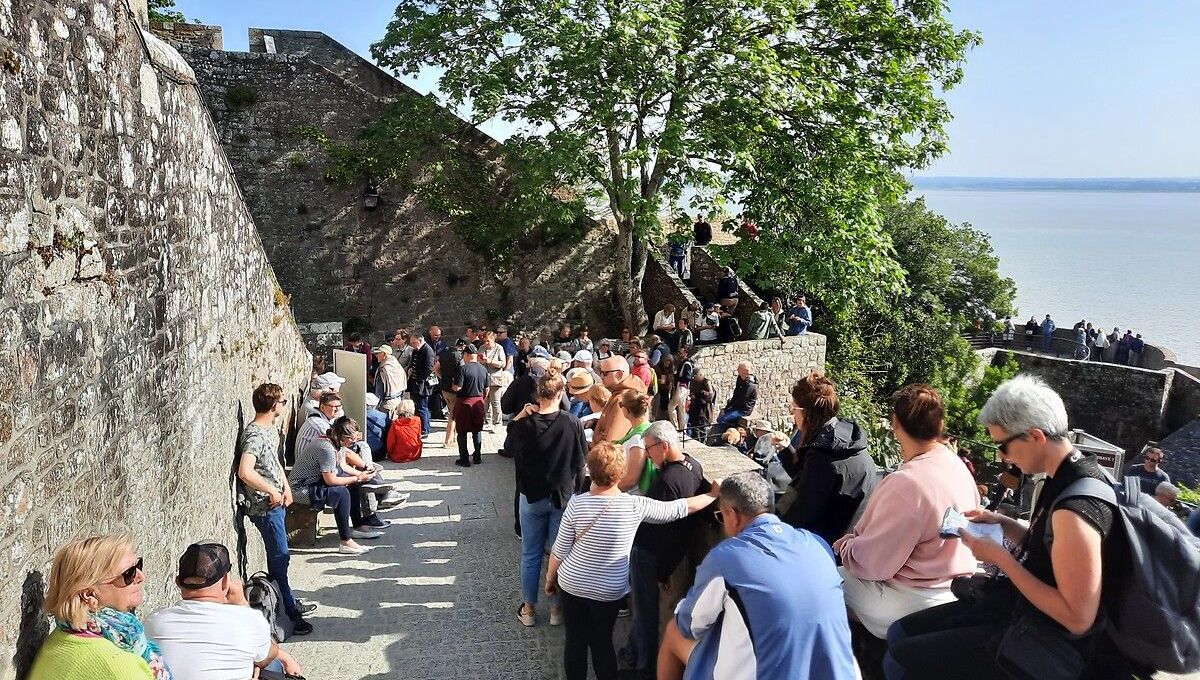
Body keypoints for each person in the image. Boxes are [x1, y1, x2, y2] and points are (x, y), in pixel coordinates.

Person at [885, 375, 1136, 679]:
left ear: (1036, 437)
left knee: (900, 659)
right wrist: (1004, 524)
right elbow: (1051, 550)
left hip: (1049, 645)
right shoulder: (1069, 474)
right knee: (900, 633)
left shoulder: (1075, 511)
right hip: (1023, 615)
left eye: (1002, 446)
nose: (1002, 458)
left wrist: (1001, 559)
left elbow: (1077, 618)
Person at [657, 473, 858, 680]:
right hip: (841, 672)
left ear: (732, 515)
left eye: (721, 516)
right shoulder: (817, 543)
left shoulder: (725, 558)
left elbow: (689, 624)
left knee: (674, 632)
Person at [546, 441, 720, 680]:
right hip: (609, 589)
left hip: (573, 583)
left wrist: (549, 578)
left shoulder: (577, 504)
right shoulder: (634, 506)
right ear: (621, 473)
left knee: (575, 642)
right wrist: (711, 495)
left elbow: (560, 550)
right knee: (602, 643)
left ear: (590, 470)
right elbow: (680, 508)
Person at [833, 384, 979, 639]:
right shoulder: (957, 466)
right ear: (940, 423)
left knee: (821, 582)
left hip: (910, 598)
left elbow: (872, 565)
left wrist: (845, 546)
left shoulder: (907, 483)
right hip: (952, 590)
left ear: (896, 424)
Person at [622, 422, 708, 678]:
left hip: (650, 556)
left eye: (649, 449)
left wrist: (662, 571)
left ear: (664, 446)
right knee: (642, 612)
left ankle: (644, 669)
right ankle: (635, 652)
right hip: (656, 554)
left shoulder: (670, 481)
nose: (647, 455)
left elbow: (670, 533)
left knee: (646, 615)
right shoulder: (692, 465)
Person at [145, 543, 302, 680]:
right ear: (226, 581)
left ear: (178, 583)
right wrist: (242, 603)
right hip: (258, 645)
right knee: (271, 667)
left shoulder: (153, 622)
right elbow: (267, 656)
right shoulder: (249, 620)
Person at [510, 368, 589, 628]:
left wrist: (523, 413)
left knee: (530, 554)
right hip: (563, 498)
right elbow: (581, 463)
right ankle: (557, 608)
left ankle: (530, 608)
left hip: (531, 496)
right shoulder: (572, 422)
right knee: (560, 553)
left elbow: (511, 440)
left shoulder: (524, 425)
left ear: (538, 394)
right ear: (561, 393)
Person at [29, 533, 165, 679]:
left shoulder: (62, 638)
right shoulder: (118, 669)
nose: (141, 577)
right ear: (88, 594)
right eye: (129, 573)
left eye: (138, 566)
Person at [237, 383, 314, 635]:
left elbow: (274, 462)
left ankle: (285, 600)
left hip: (277, 503)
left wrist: (285, 487)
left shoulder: (268, 430)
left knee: (280, 557)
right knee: (280, 558)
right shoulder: (254, 435)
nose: (284, 405)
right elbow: (245, 471)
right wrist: (271, 491)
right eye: (282, 402)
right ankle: (289, 613)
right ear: (273, 406)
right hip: (265, 508)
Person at [778, 372, 877, 548]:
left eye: (793, 408)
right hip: (853, 542)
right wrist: (786, 450)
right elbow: (810, 480)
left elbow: (801, 515)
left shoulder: (823, 457)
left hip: (827, 551)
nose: (792, 415)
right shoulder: (845, 441)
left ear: (805, 412)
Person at [289, 416, 384, 554]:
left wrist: (360, 475)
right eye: (351, 438)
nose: (355, 440)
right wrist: (357, 478)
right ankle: (345, 541)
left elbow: (343, 466)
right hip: (300, 489)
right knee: (341, 492)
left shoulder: (336, 443)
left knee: (351, 485)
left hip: (314, 483)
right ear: (342, 436)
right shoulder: (326, 448)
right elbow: (331, 481)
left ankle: (358, 527)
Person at [593, 355, 649, 444]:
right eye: (600, 372)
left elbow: (612, 441)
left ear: (619, 374)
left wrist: (592, 444)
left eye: (605, 373)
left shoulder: (624, 399)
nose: (601, 377)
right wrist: (595, 423)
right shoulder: (619, 392)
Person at [450, 343, 489, 466]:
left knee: (461, 432)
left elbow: (458, 387)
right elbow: (487, 389)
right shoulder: (483, 369)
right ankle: (477, 457)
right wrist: (482, 399)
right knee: (477, 431)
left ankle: (464, 459)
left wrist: (453, 386)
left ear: (467, 354)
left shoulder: (463, 369)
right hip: (478, 402)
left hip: (464, 403)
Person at [616, 390, 654, 492]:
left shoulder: (638, 439)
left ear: (627, 410)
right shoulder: (643, 428)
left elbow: (631, 480)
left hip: (632, 495)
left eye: (621, 405)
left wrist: (607, 491)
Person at [712, 361, 758, 436]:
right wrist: (728, 407)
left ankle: (719, 439)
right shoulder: (740, 379)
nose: (737, 370)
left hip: (743, 409)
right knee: (722, 414)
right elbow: (736, 394)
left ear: (745, 370)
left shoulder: (750, 385)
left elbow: (743, 400)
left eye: (739, 369)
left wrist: (731, 407)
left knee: (722, 419)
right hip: (737, 406)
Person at [436, 338, 465, 448]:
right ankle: (448, 440)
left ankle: (453, 438)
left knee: (452, 413)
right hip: (455, 389)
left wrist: (443, 378)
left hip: (445, 389)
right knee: (453, 416)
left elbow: (435, 368)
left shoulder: (444, 354)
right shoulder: (460, 357)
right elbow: (462, 373)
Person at [479, 331, 511, 431]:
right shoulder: (482, 348)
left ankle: (498, 422)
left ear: (493, 340)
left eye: (488, 341)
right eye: (485, 341)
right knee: (485, 401)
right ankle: (488, 421)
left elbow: (502, 363)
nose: (486, 343)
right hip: (484, 378)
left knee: (495, 402)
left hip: (495, 379)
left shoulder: (499, 348)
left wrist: (490, 361)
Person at [407, 331, 437, 435]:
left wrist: (418, 378)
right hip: (415, 383)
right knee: (417, 407)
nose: (412, 346)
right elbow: (413, 363)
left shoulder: (428, 351)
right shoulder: (416, 350)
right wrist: (410, 369)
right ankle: (419, 427)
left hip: (423, 384)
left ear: (419, 341)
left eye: (414, 343)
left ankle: (425, 429)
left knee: (422, 407)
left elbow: (429, 369)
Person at [372, 343, 407, 415]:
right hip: (398, 400)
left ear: (384, 354)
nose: (376, 356)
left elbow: (379, 392)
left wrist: (375, 406)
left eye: (378, 353)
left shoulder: (383, 369)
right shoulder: (397, 365)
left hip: (387, 403)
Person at [386, 398, 423, 463]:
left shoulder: (395, 423)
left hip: (399, 456)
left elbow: (391, 442)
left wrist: (389, 453)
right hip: (415, 453)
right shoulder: (417, 420)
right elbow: (418, 436)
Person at [670, 346, 695, 433]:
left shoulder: (686, 364)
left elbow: (687, 377)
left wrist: (676, 376)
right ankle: (682, 429)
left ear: (686, 353)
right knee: (681, 409)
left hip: (681, 388)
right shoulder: (683, 363)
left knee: (671, 407)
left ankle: (676, 427)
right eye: (679, 353)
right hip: (682, 388)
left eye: (681, 353)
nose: (679, 355)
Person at [687, 368, 715, 441]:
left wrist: (701, 393)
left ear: (700, 375)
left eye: (695, 376)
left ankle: (702, 442)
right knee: (694, 427)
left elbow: (710, 395)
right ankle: (695, 440)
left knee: (702, 427)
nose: (694, 378)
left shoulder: (706, 382)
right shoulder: (693, 382)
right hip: (694, 407)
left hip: (703, 409)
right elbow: (691, 390)